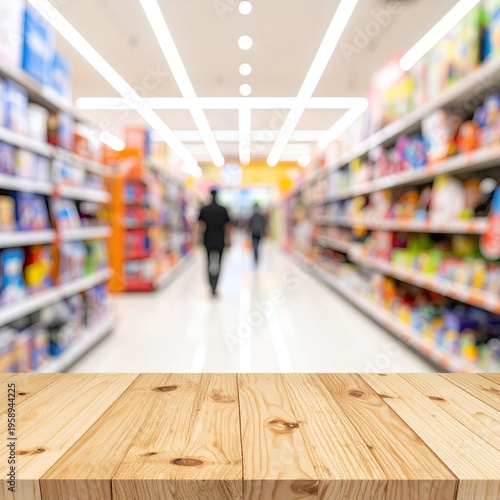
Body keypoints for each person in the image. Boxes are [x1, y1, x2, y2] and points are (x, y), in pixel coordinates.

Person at [197, 189, 231, 296]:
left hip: (207, 238)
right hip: (220, 238)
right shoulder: (223, 209)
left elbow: (200, 226)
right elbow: (228, 226)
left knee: (208, 262)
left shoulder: (204, 209)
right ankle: (216, 285)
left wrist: (197, 238)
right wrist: (229, 239)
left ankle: (210, 285)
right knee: (219, 263)